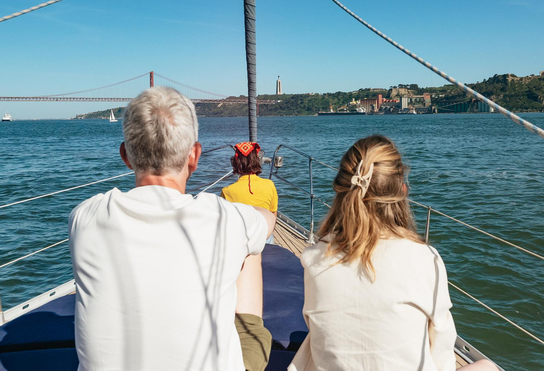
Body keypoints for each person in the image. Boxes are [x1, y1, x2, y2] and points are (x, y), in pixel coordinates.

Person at [69, 87, 275, 371]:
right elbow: (268, 221)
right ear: (194, 156)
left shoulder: (84, 216)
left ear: (126, 155)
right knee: (251, 248)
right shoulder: (226, 218)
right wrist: (257, 214)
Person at [289, 135, 497, 371]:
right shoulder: (425, 258)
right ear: (402, 190)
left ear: (342, 189)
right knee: (486, 367)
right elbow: (441, 353)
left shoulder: (314, 260)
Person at [221, 142, 278, 243]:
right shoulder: (269, 184)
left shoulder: (227, 191)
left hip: (241, 239)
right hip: (264, 237)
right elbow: (273, 213)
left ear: (235, 163)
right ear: (257, 161)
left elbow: (226, 220)